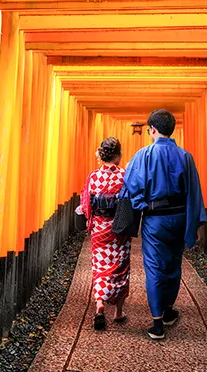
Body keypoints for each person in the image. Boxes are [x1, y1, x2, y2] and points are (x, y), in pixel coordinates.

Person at [122, 109, 207, 340]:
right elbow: (194, 192)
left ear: (152, 129)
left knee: (154, 267)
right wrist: (195, 225)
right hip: (180, 218)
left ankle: (157, 322)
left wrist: (141, 206)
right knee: (173, 264)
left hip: (155, 219)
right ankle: (169, 310)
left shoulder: (144, 155)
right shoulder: (185, 157)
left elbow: (131, 185)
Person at [76, 137, 131, 330]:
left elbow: (85, 202)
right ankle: (117, 311)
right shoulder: (124, 175)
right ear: (118, 155)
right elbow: (130, 200)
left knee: (100, 265)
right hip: (118, 228)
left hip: (99, 227)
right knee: (120, 265)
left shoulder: (93, 176)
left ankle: (99, 305)